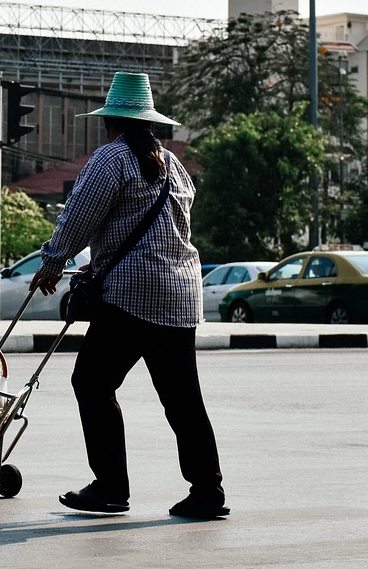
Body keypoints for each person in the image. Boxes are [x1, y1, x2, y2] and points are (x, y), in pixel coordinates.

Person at [30, 71, 227, 520]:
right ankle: (208, 492)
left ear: (110, 121)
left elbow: (79, 216)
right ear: (149, 121)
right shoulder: (173, 165)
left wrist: (53, 260)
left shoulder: (111, 158)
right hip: (180, 294)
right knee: (182, 398)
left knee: (92, 383)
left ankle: (111, 488)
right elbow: (167, 230)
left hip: (134, 295)